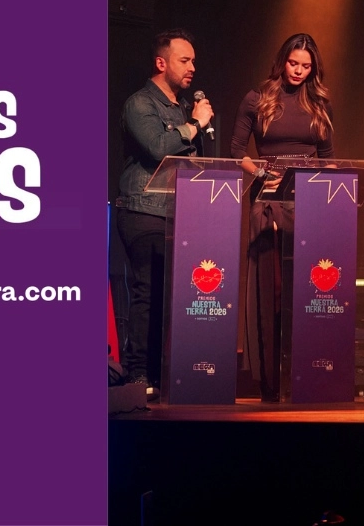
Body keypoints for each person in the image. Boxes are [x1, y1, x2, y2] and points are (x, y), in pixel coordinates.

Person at [230, 33, 335, 402]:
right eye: (294, 63)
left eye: (306, 66)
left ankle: (306, 376)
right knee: (270, 289)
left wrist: (330, 189)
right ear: (282, 61)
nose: (299, 71)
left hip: (307, 201)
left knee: (306, 290)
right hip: (269, 197)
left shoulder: (320, 103)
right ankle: (269, 382)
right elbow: (236, 150)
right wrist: (262, 173)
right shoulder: (257, 99)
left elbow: (328, 158)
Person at [116, 29, 215, 390]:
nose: (192, 68)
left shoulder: (185, 109)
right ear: (161, 63)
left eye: (194, 61)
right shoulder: (140, 103)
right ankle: (138, 372)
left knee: (175, 295)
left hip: (181, 214)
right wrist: (195, 125)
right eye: (184, 60)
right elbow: (158, 147)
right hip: (144, 210)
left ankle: (166, 374)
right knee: (150, 289)